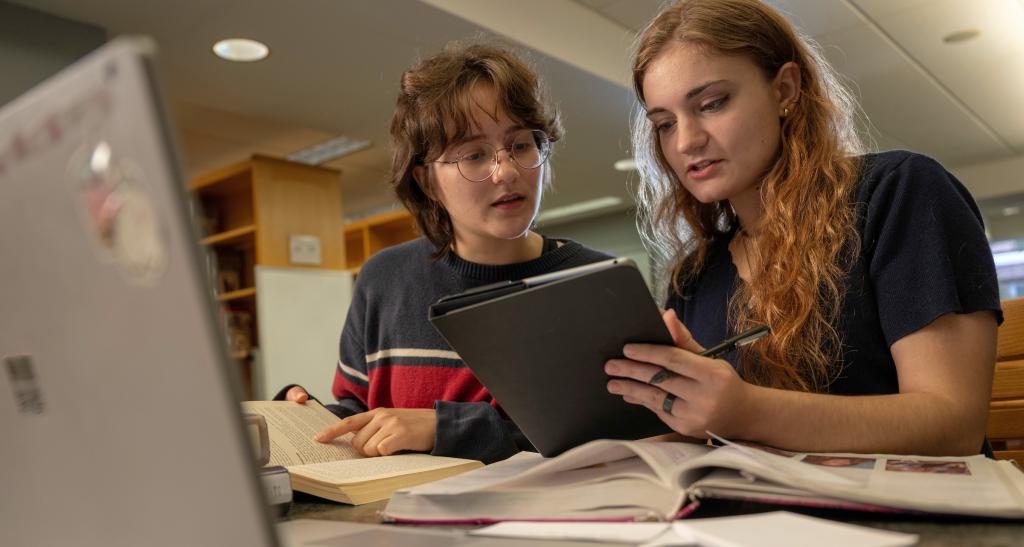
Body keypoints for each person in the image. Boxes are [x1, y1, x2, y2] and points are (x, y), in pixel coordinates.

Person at [604, 0, 1001, 456]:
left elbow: (953, 425)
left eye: (712, 104)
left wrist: (745, 409)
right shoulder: (693, 277)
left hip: (916, 518)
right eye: (665, 124)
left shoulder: (898, 194)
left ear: (786, 90)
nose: (686, 141)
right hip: (759, 518)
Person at [277, 42, 611, 464]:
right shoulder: (384, 279)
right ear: (427, 181)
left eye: (522, 145)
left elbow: (614, 438)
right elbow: (361, 416)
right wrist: (301, 416)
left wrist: (444, 429)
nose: (506, 171)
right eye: (474, 155)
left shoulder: (595, 281)